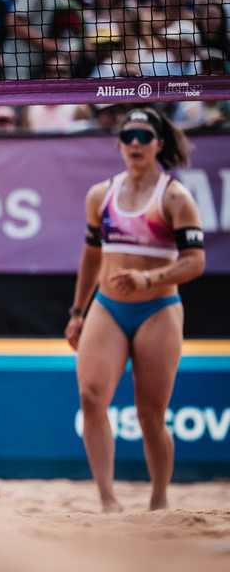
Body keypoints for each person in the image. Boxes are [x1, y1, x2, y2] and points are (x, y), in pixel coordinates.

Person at [64, 107, 205, 514]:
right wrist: (77, 311)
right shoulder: (101, 194)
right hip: (107, 306)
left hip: (158, 307)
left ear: (160, 143)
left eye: (144, 136)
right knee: (91, 398)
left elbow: (195, 261)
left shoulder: (175, 197)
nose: (136, 144)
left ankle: (159, 499)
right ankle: (108, 501)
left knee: (150, 415)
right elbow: (91, 257)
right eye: (128, 136)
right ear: (120, 143)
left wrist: (149, 279)